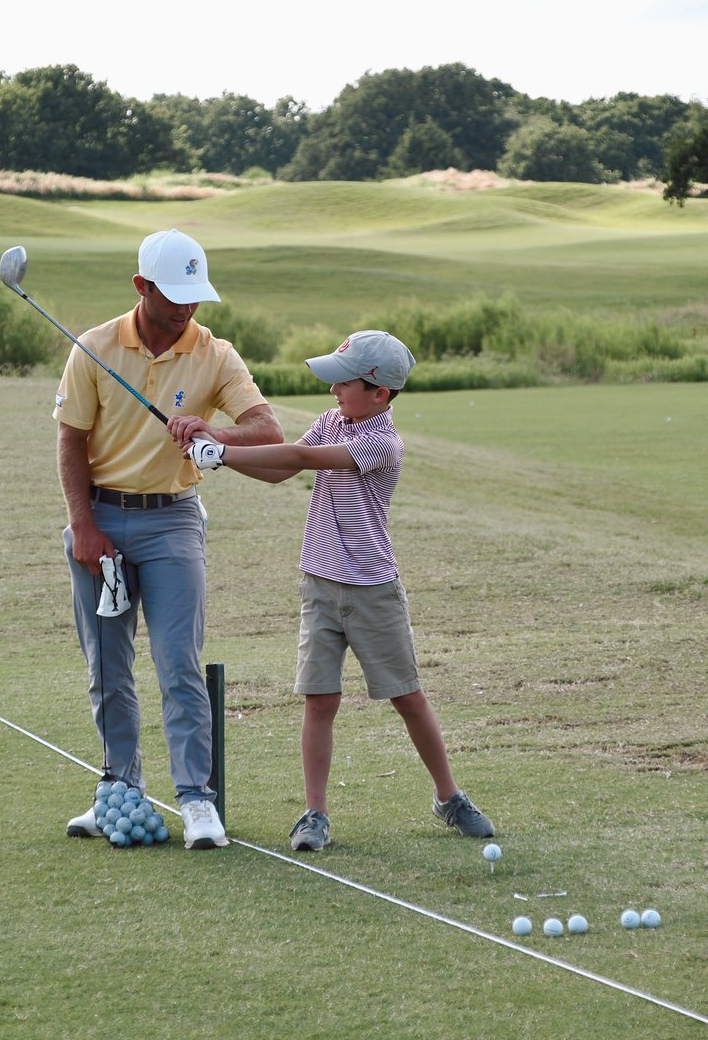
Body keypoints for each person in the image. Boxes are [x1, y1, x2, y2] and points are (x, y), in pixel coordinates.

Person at [175, 330, 495, 851]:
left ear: (380, 393)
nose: (332, 393)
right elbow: (284, 470)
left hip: (372, 589)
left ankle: (449, 797)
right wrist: (218, 454)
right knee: (320, 700)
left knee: (408, 697)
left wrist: (222, 451)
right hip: (319, 587)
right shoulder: (335, 421)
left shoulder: (380, 442)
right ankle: (315, 813)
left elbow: (302, 459)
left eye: (341, 383)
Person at [55, 228, 283, 849]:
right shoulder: (96, 347)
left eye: (194, 296)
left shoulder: (215, 353)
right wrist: (82, 525)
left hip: (173, 519)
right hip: (101, 518)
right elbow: (71, 440)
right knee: (108, 667)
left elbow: (265, 428)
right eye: (175, 295)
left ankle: (196, 800)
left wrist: (214, 431)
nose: (187, 309)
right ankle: (118, 789)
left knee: (178, 660)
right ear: (141, 287)